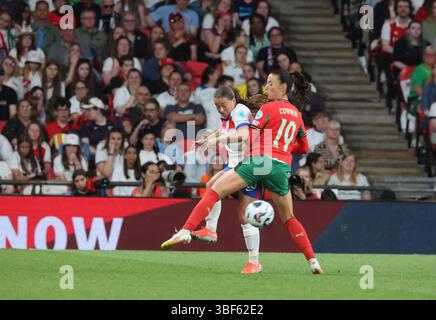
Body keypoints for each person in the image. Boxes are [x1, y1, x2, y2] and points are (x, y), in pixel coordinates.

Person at [161, 70, 324, 275]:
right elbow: (302, 148)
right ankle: (313, 262)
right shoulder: (297, 115)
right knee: (289, 217)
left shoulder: (268, 108)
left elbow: (249, 137)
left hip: (258, 163)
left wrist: (220, 142)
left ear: (283, 87)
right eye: (267, 83)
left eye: (271, 83)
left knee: (214, 190)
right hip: (281, 168)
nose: (267, 87)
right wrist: (282, 145)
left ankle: (186, 231)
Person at [188, 86, 263, 274]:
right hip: (236, 164)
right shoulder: (229, 113)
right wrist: (207, 139)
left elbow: (244, 135)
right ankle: (210, 230)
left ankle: (254, 262)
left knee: (244, 215)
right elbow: (222, 131)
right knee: (211, 185)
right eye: (216, 106)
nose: (220, 110)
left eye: (222, 105)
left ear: (232, 100)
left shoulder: (238, 111)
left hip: (249, 165)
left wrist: (214, 142)